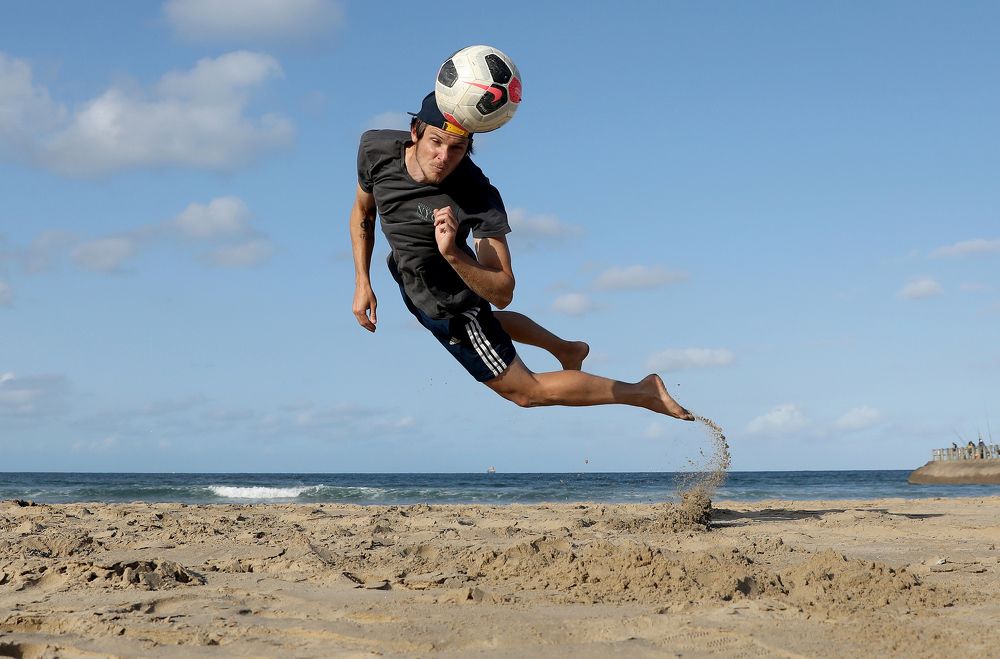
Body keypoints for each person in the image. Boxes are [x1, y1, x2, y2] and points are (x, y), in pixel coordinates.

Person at [349, 92, 694, 421]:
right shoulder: (376, 149)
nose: (444, 157)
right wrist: (362, 282)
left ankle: (642, 392)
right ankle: (566, 349)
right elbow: (363, 212)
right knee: (487, 324)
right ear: (415, 133)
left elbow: (502, 291)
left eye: (458, 148)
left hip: (452, 303)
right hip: (412, 281)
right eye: (436, 142)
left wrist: (453, 253)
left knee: (526, 392)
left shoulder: (477, 196)